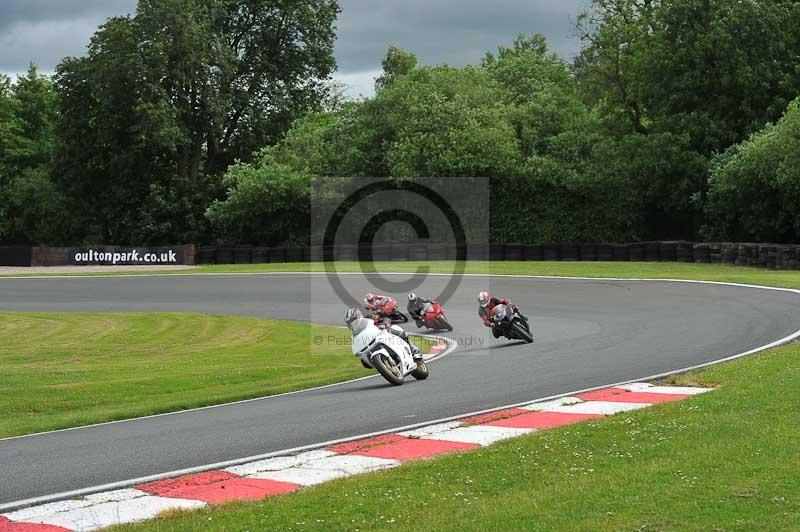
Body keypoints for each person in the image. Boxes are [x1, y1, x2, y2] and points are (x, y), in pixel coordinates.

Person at [345, 307, 421, 359]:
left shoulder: (369, 317)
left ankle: (412, 348)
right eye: (350, 323)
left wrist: (385, 324)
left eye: (353, 321)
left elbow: (384, 318)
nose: (353, 324)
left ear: (358, 317)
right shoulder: (356, 333)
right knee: (364, 360)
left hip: (382, 332)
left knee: (400, 333)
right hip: (372, 341)